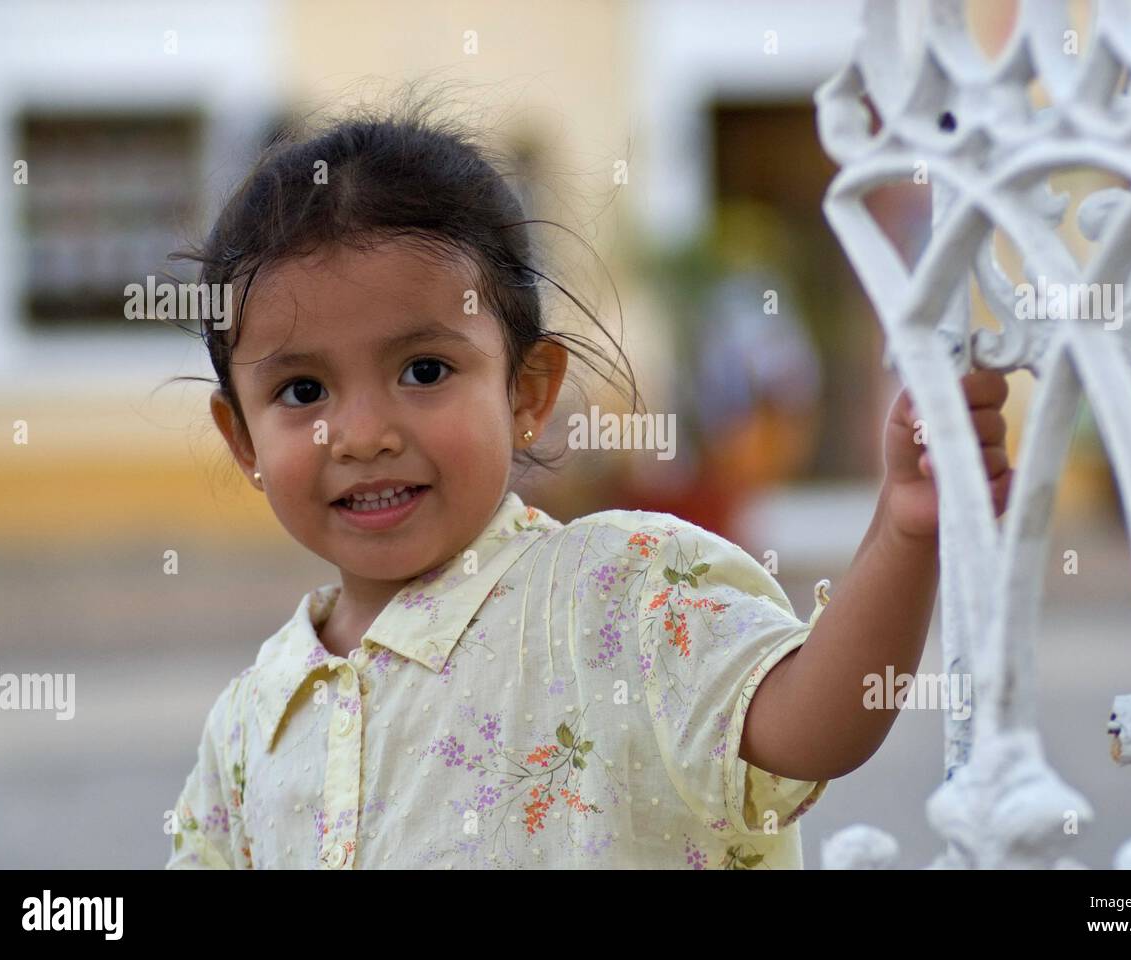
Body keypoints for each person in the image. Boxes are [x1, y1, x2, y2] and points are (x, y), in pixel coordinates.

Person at [160, 92, 1011, 870]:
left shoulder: (624, 594)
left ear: (526, 391)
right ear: (243, 439)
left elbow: (817, 725)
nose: (365, 434)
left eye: (423, 370)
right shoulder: (252, 721)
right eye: (303, 391)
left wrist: (902, 531)